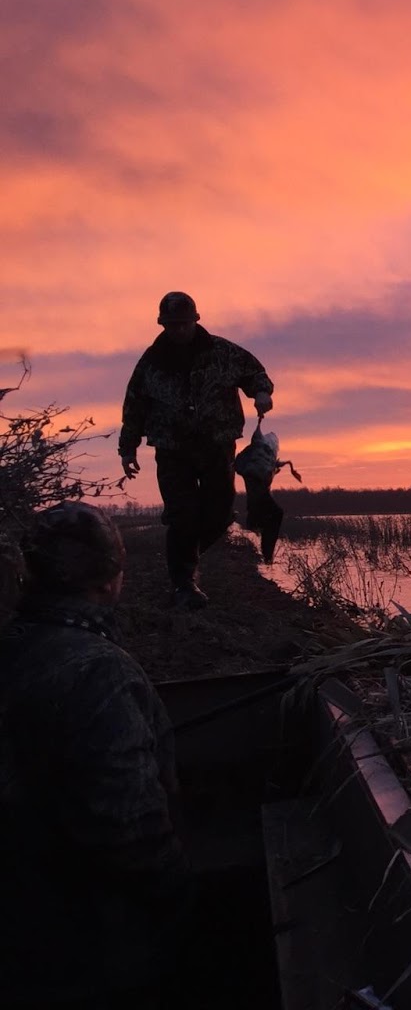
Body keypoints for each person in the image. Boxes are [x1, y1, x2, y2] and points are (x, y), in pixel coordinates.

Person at [0, 501, 191, 1007]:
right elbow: (128, 829)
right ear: (109, 582)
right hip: (80, 949)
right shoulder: (99, 671)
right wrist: (180, 890)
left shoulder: (12, 647)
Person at [118, 291, 274, 609]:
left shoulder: (223, 352)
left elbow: (255, 374)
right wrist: (127, 448)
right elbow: (134, 406)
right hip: (172, 449)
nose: (178, 330)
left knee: (220, 514)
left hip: (216, 445)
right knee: (182, 515)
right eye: (171, 324)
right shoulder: (151, 362)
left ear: (195, 320)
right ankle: (183, 583)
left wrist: (261, 393)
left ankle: (185, 557)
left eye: (183, 323)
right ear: (163, 324)